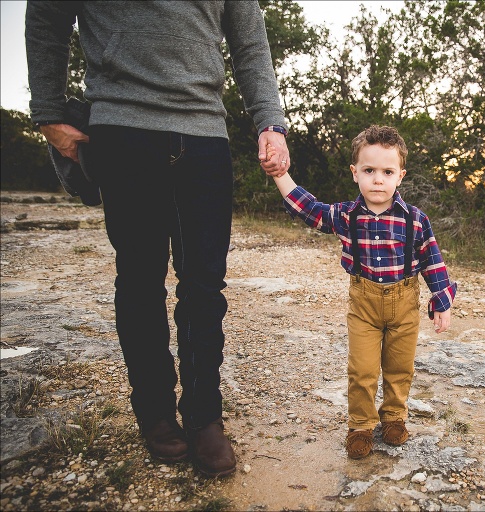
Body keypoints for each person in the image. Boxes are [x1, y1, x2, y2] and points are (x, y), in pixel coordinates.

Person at [26, 1, 290, 477]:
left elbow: (250, 43)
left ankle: (204, 415)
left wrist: (270, 122)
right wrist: (47, 109)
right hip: (122, 127)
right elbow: (46, 14)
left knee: (204, 283)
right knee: (141, 279)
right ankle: (154, 412)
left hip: (205, 131)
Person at [266, 125, 457, 459]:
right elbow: (308, 208)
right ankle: (360, 426)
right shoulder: (345, 215)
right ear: (355, 174)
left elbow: (432, 260)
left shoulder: (414, 219)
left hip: (404, 308)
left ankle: (394, 418)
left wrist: (442, 302)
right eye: (369, 171)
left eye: (387, 171)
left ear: (400, 176)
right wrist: (281, 174)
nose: (378, 180)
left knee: (400, 368)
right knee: (363, 370)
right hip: (364, 309)